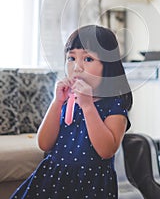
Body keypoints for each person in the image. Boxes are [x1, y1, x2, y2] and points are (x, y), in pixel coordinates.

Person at [10, 25, 133, 199]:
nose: (77, 67)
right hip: (52, 178)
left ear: (108, 67)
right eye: (71, 58)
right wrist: (57, 102)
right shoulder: (67, 101)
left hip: (90, 184)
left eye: (88, 59)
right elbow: (44, 143)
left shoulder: (114, 105)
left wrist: (88, 106)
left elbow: (106, 150)